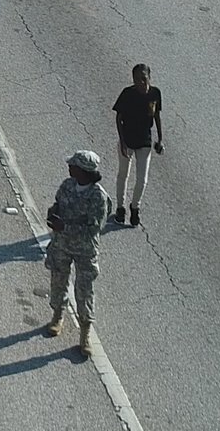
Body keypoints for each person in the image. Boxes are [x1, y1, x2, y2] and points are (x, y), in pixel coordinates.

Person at [43, 149, 111, 354]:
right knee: (58, 280)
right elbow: (58, 204)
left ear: (83, 171)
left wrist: (65, 227)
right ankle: (57, 315)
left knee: (84, 290)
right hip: (62, 245)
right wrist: (53, 212)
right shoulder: (67, 185)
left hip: (84, 250)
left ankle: (85, 333)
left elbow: (94, 229)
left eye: (73, 165)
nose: (69, 167)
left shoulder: (98, 196)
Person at [109, 62, 161, 226]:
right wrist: (123, 142)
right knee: (123, 174)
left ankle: (135, 207)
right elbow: (119, 118)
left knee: (142, 179)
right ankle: (120, 208)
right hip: (128, 140)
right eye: (137, 79)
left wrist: (160, 139)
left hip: (144, 141)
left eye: (143, 78)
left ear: (149, 77)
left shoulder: (155, 94)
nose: (140, 82)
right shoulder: (128, 94)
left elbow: (157, 116)